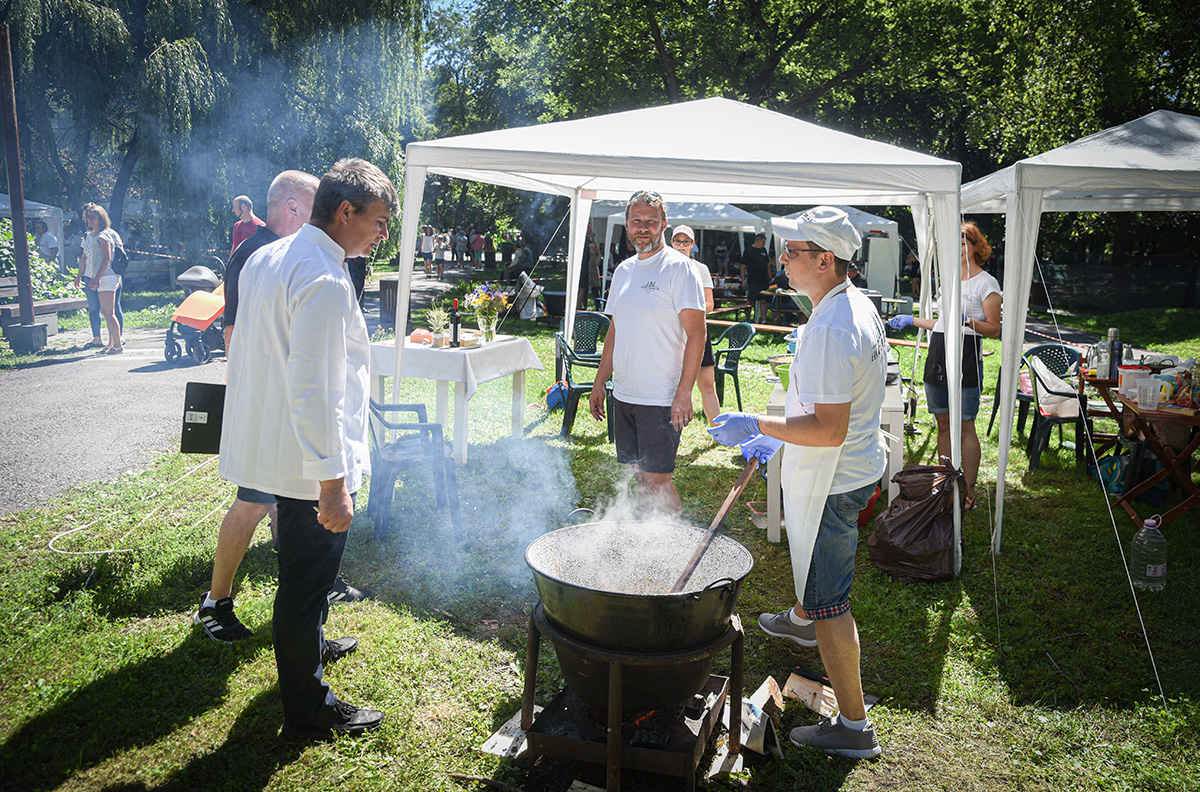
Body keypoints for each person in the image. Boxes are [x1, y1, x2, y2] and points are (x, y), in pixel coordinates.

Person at [219, 158, 398, 740]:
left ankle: (312, 647)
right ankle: (308, 705)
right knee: (302, 584)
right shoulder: (322, 277)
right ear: (345, 211)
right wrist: (332, 481)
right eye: (378, 220)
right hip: (308, 463)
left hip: (280, 447)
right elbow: (315, 386)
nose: (382, 234)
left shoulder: (271, 254)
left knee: (307, 582)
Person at [709, 206, 886, 759]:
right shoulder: (848, 304)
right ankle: (804, 617)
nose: (781, 260)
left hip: (837, 478)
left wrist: (758, 424)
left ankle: (854, 729)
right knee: (819, 587)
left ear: (826, 259)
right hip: (847, 467)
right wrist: (778, 436)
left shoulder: (835, 325)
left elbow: (830, 428)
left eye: (793, 252)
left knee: (833, 602)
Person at [198, 170, 329, 645]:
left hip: (284, 403)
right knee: (254, 500)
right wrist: (249, 396)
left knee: (292, 501)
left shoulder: (293, 251)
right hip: (262, 404)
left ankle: (308, 605)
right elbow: (233, 331)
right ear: (292, 208)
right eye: (316, 210)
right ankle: (216, 602)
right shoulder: (254, 252)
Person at [589, 191, 705, 514]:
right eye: (636, 221)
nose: (643, 228)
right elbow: (616, 330)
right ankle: (648, 547)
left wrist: (684, 392)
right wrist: (600, 382)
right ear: (627, 225)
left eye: (651, 222)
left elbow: (698, 334)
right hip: (625, 394)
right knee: (639, 477)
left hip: (660, 398)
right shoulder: (623, 271)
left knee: (657, 481)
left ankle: (675, 553)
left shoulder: (680, 269)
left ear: (663, 224)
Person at [888, 221, 1000, 509]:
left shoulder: (986, 282)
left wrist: (966, 320)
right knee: (942, 423)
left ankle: (969, 492)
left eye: (964, 242)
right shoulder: (948, 280)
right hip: (938, 352)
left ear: (977, 247)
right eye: (954, 243)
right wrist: (912, 320)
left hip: (966, 354)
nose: (959, 248)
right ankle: (946, 484)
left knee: (964, 425)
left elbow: (994, 329)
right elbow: (942, 323)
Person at [671, 224, 720, 425]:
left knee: (707, 385)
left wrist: (689, 312)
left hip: (698, 333)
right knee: (670, 385)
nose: (681, 246)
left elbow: (709, 304)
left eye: (686, 242)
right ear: (671, 242)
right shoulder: (664, 267)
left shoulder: (701, 269)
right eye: (677, 241)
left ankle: (718, 430)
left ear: (693, 244)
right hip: (671, 334)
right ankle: (670, 433)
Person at [75, 204, 125, 354]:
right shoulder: (92, 235)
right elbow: (85, 257)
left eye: (93, 217)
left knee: (109, 313)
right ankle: (111, 344)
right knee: (106, 312)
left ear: (101, 218)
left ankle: (118, 345)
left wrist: (96, 278)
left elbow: (107, 258)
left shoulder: (103, 235)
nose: (89, 220)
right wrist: (80, 276)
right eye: (88, 217)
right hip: (101, 276)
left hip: (107, 276)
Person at [741, 232, 770, 322]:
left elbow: (767, 264)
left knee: (763, 300)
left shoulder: (764, 250)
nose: (764, 244)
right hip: (753, 280)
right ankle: (748, 319)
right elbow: (743, 266)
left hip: (764, 280)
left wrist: (770, 277)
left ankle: (764, 321)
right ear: (758, 241)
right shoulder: (748, 250)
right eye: (763, 242)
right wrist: (743, 280)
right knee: (750, 301)